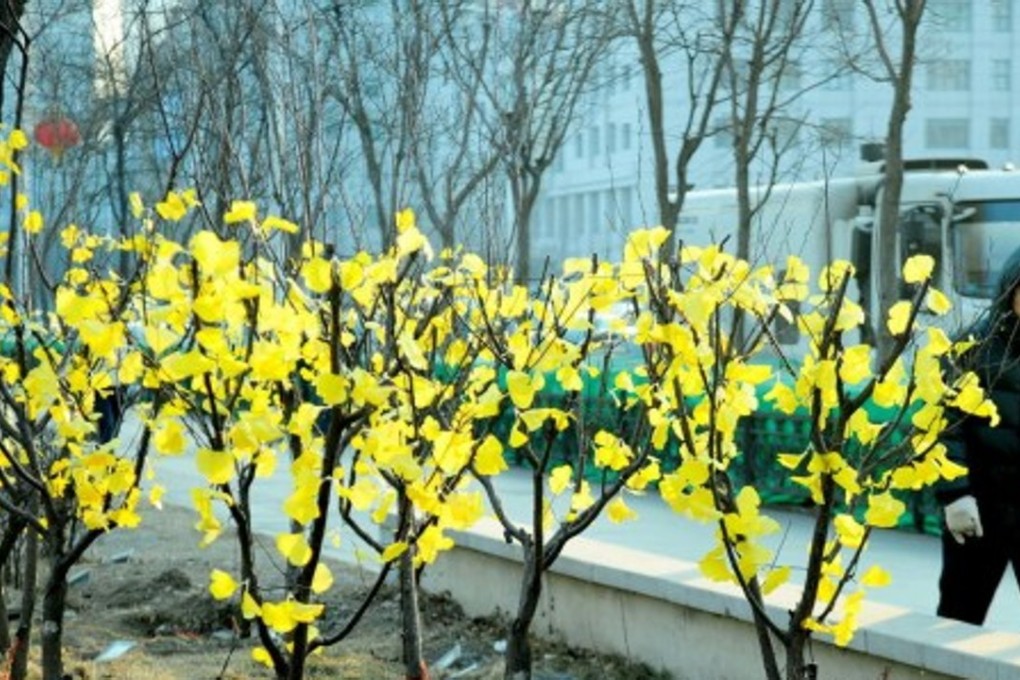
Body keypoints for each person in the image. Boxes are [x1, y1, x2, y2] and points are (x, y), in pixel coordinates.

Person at [936, 245, 1020, 625]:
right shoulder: (970, 349)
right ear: (1009, 291)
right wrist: (955, 495)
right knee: (960, 613)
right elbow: (943, 426)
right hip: (979, 509)